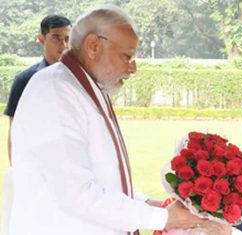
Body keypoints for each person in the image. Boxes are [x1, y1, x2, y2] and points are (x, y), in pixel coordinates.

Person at [9, 5, 203, 235]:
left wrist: (148, 203)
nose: (133, 68)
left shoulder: (83, 87)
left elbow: (106, 177)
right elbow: (75, 193)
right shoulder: (55, 90)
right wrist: (161, 218)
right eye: (127, 56)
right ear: (93, 45)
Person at [4, 14, 71, 164]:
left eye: (67, 39)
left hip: (72, 163)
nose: (64, 45)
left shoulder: (78, 79)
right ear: (42, 39)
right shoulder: (24, 80)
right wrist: (16, 172)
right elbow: (15, 131)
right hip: (37, 163)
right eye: (56, 38)